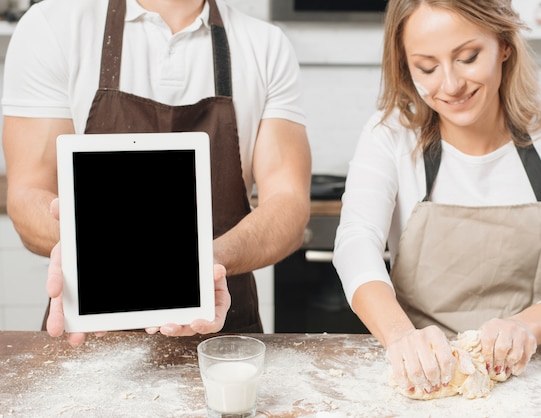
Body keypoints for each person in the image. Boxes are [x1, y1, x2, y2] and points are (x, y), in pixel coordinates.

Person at [333, 0, 541, 397]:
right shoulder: (390, 135)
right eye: (427, 67)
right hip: (421, 371)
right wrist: (401, 337)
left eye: (467, 57)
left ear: (504, 44)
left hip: (529, 376)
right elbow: (355, 241)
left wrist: (526, 327)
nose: (450, 85)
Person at [2, 0, 311, 346]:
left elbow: (289, 203)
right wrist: (88, 250)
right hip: (89, 339)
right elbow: (28, 193)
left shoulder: (265, 46)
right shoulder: (53, 27)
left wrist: (201, 266)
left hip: (221, 338)